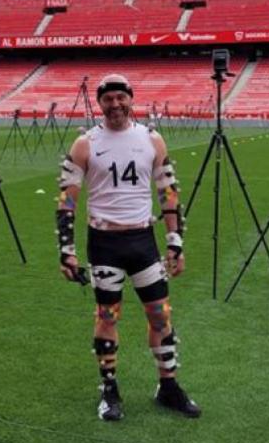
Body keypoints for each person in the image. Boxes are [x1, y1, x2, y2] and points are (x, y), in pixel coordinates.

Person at [56, 73, 201, 421]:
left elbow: (168, 192)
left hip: (142, 241)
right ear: (100, 103)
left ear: (131, 99)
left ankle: (168, 387)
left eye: (121, 97)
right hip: (104, 243)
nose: (116, 104)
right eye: (108, 99)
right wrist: (67, 249)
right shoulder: (85, 144)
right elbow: (66, 201)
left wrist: (175, 242)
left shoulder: (152, 139)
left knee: (160, 314)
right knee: (107, 316)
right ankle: (109, 390)